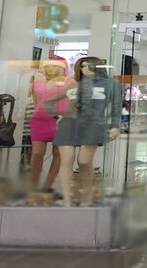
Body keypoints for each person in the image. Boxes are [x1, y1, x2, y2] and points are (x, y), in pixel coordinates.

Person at [44, 56, 122, 206]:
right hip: (69, 124)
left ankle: (86, 196)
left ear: (97, 67)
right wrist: (57, 115)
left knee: (84, 161)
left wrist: (115, 125)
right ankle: (67, 200)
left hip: (93, 124)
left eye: (88, 66)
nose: (84, 69)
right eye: (82, 66)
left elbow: (116, 106)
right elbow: (48, 102)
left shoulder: (111, 84)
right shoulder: (75, 85)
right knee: (66, 161)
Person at [28, 57, 73, 196]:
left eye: (54, 66)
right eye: (47, 66)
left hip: (61, 119)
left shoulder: (70, 82)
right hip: (39, 120)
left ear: (61, 68)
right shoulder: (36, 84)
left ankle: (47, 185)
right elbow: (36, 102)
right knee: (37, 153)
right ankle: (33, 186)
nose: (50, 69)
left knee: (58, 153)